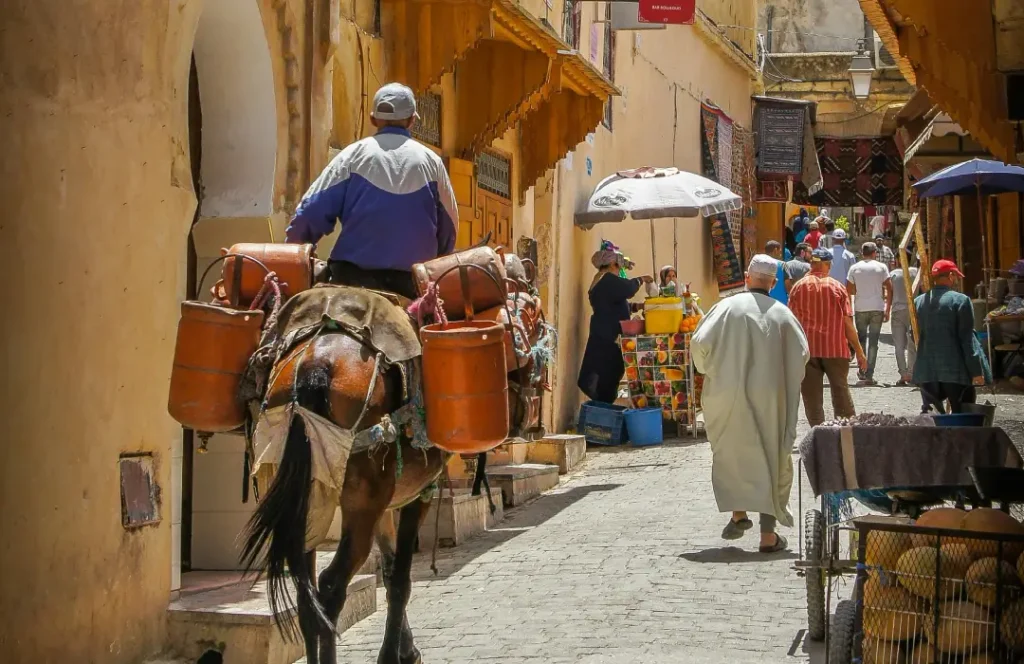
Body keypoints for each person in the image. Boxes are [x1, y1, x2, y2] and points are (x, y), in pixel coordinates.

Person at [285, 83, 458, 299]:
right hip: (413, 285)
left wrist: (293, 254)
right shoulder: (432, 162)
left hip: (350, 279)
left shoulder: (352, 156)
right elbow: (449, 230)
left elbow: (309, 213)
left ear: (373, 119)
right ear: (412, 120)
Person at [691, 254, 809, 553]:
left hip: (728, 395)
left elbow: (699, 344)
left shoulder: (725, 308)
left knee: (732, 452)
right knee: (771, 455)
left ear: (747, 276)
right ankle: (768, 536)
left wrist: (711, 369)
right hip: (771, 397)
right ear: (773, 282)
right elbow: (802, 354)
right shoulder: (783, 314)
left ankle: (739, 514)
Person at [789, 249, 868, 426]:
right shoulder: (837, 287)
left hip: (808, 351)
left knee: (811, 397)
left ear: (812, 264)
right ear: (826, 264)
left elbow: (791, 322)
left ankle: (817, 433)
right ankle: (846, 433)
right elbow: (847, 323)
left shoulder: (798, 287)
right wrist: (859, 352)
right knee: (841, 392)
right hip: (835, 349)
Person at [577, 241, 654, 403]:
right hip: (607, 336)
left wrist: (637, 306)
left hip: (604, 334)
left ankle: (603, 408)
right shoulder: (607, 279)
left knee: (607, 376)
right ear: (612, 264)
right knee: (606, 376)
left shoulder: (602, 281)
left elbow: (616, 304)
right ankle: (602, 413)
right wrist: (642, 279)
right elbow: (628, 289)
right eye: (619, 267)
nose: (620, 271)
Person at [912, 259, 992, 413]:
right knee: (963, 416)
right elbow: (967, 339)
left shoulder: (918, 302)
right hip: (956, 372)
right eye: (955, 276)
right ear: (949, 275)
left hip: (927, 371)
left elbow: (914, 334)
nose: (955, 279)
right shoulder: (961, 300)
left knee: (932, 418)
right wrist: (976, 371)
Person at [846, 242, 892, 385]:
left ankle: (862, 369)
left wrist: (849, 309)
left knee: (861, 341)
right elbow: (890, 288)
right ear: (874, 253)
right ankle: (869, 373)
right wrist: (888, 309)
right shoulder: (881, 267)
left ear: (862, 252)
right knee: (873, 342)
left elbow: (849, 290)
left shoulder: (854, 268)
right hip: (877, 308)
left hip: (860, 308)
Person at [888, 247, 919, 385]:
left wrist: (886, 309)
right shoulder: (916, 273)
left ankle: (903, 374)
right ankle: (912, 373)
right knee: (912, 343)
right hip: (914, 310)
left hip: (897, 311)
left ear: (898, 259)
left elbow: (889, 294)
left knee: (899, 345)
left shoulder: (893, 274)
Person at [765, 240, 788, 305]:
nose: (780, 254)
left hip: (763, 303)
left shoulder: (758, 264)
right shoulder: (782, 265)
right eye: (779, 252)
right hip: (781, 303)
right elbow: (788, 286)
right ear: (775, 250)